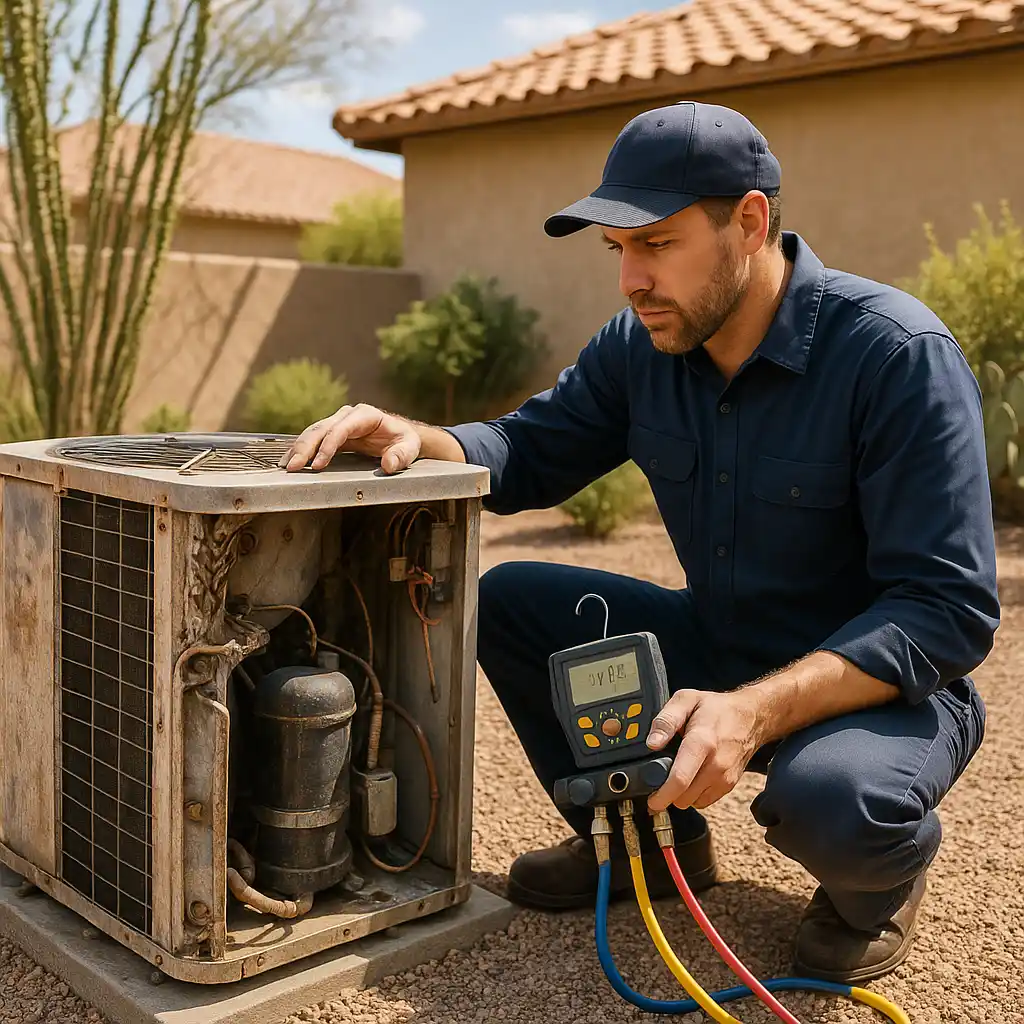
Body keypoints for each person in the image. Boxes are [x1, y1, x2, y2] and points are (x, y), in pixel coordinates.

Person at [282, 101, 998, 984]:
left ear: (749, 221)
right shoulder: (642, 348)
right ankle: (647, 848)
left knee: (833, 801)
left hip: (879, 690)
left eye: (656, 244)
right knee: (508, 604)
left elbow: (947, 612)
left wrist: (755, 711)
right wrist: (417, 434)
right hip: (722, 645)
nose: (630, 280)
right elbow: (529, 451)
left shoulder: (896, 356)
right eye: (617, 250)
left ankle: (878, 885)